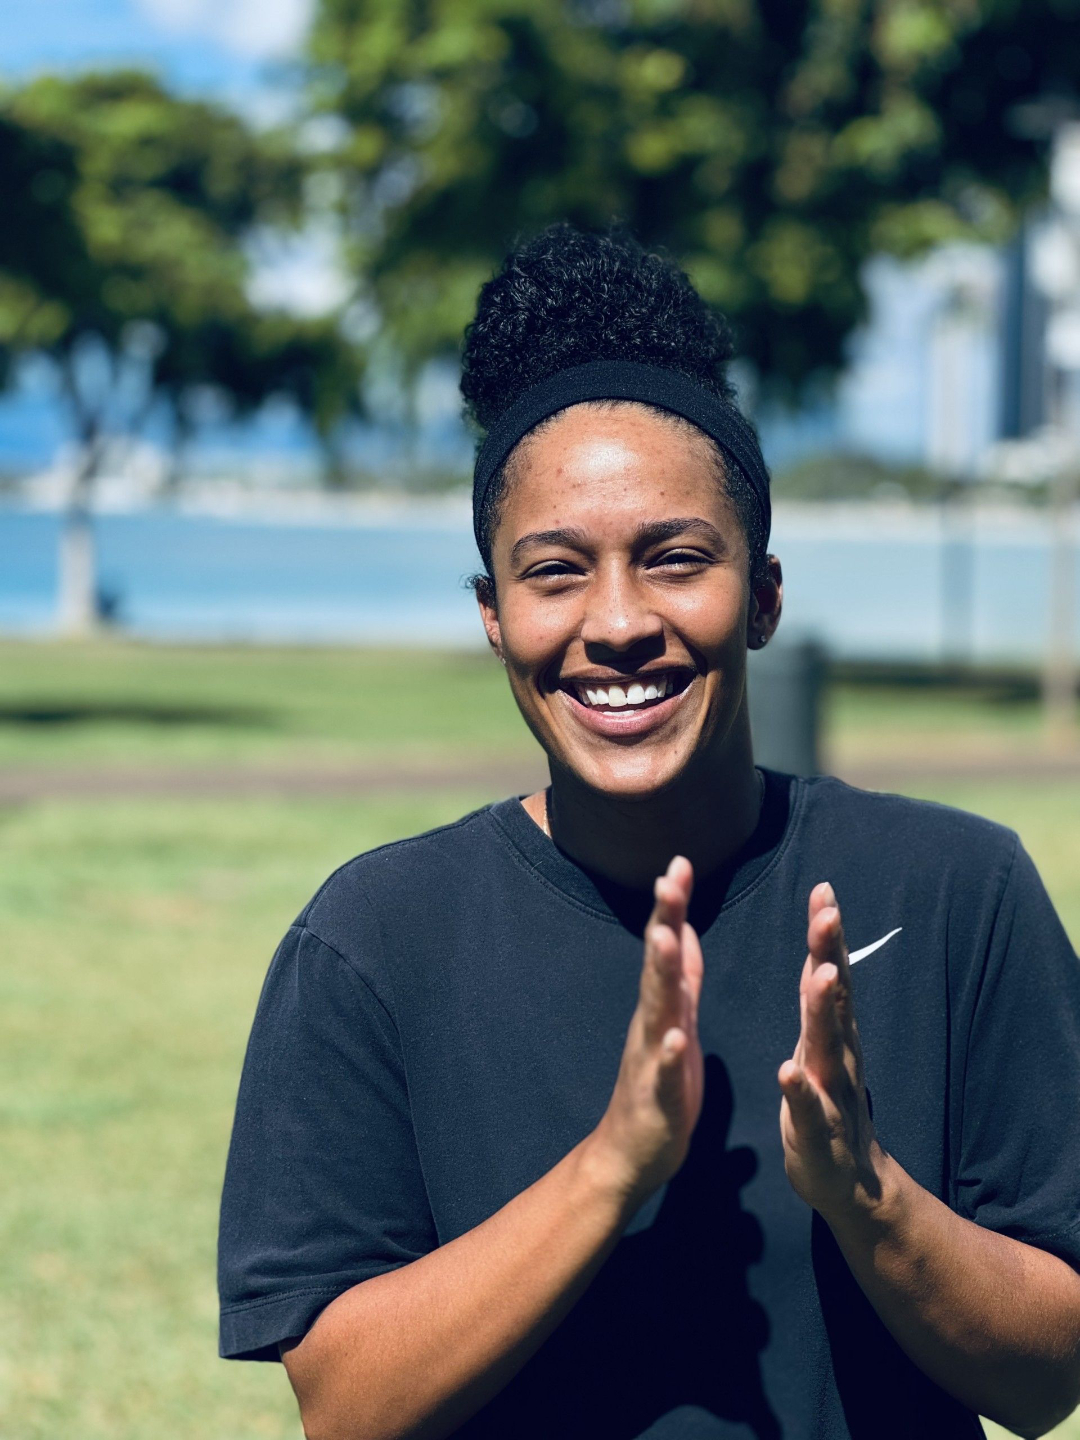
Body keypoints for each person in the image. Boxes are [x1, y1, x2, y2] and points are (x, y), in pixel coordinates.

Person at [217, 223, 1080, 1440]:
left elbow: (1051, 1379)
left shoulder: (952, 891)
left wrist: (866, 1194)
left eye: (676, 559)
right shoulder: (376, 940)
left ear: (763, 597)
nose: (617, 622)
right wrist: (612, 1165)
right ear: (492, 615)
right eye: (554, 571)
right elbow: (345, 1410)